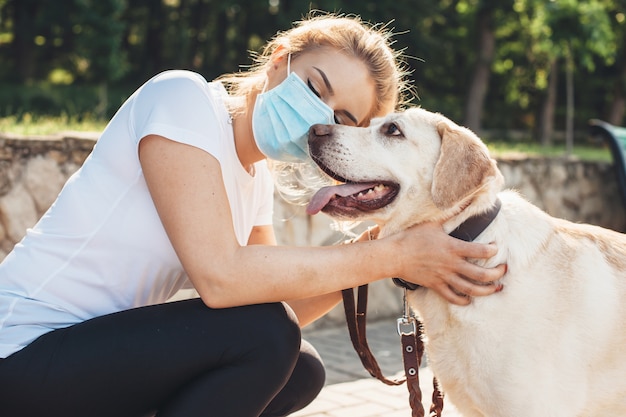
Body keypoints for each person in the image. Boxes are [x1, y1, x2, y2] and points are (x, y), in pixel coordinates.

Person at [0, 12, 506, 417]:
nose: (319, 118)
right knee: (266, 338)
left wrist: (381, 251)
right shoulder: (182, 99)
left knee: (300, 367)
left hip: (84, 363)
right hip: (21, 353)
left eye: (341, 119)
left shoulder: (253, 177)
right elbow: (222, 279)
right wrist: (387, 254)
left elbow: (283, 309)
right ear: (279, 59)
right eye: (315, 86)